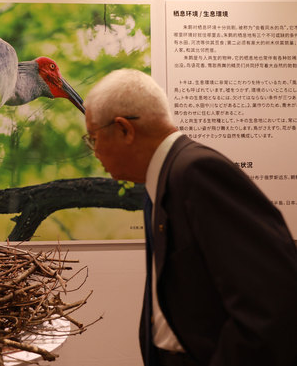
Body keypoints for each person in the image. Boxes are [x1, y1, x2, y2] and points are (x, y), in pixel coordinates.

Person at [82, 69, 297, 366]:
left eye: (93, 138)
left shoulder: (198, 172)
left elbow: (272, 300)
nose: (95, 152)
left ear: (124, 130)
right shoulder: (163, 178)